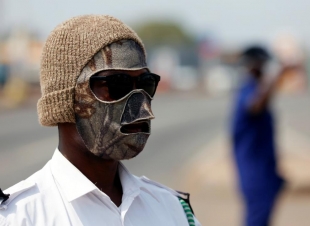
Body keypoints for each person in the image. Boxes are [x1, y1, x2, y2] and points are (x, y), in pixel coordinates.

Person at [0, 15, 200, 226]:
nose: (141, 105)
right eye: (117, 84)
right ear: (66, 100)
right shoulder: (17, 217)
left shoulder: (172, 210)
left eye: (145, 83)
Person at [231, 46, 286, 226]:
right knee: (256, 219)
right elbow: (255, 105)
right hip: (254, 172)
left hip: (264, 170)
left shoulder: (253, 89)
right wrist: (275, 77)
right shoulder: (249, 91)